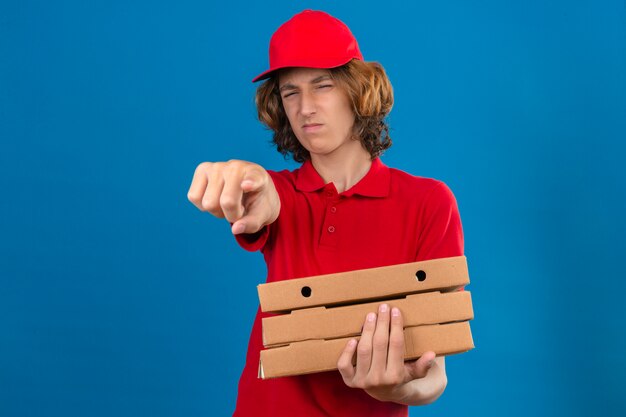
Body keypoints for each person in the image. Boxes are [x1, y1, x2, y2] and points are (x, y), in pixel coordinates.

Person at [187, 10, 464, 417]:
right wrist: (246, 182)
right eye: (290, 92)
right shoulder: (279, 194)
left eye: (323, 85)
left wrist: (396, 390)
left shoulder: (428, 202)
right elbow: (263, 195)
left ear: (358, 90)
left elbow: (435, 376)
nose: (305, 108)